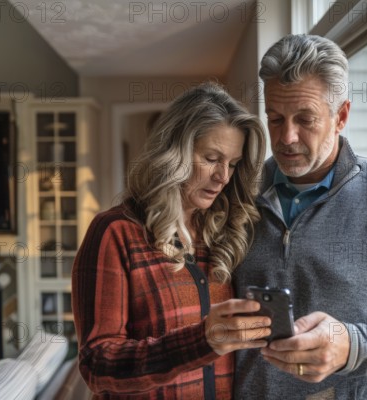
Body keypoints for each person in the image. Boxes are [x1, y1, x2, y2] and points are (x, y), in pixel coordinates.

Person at [233, 34, 367, 399]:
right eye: (275, 118)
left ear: (341, 116)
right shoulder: (239, 190)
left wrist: (351, 346)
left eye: (305, 119)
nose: (286, 137)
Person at [72, 82, 270, 399]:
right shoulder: (115, 232)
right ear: (173, 152)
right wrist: (201, 341)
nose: (223, 177)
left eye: (232, 164)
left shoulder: (223, 233)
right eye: (210, 158)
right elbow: (97, 366)